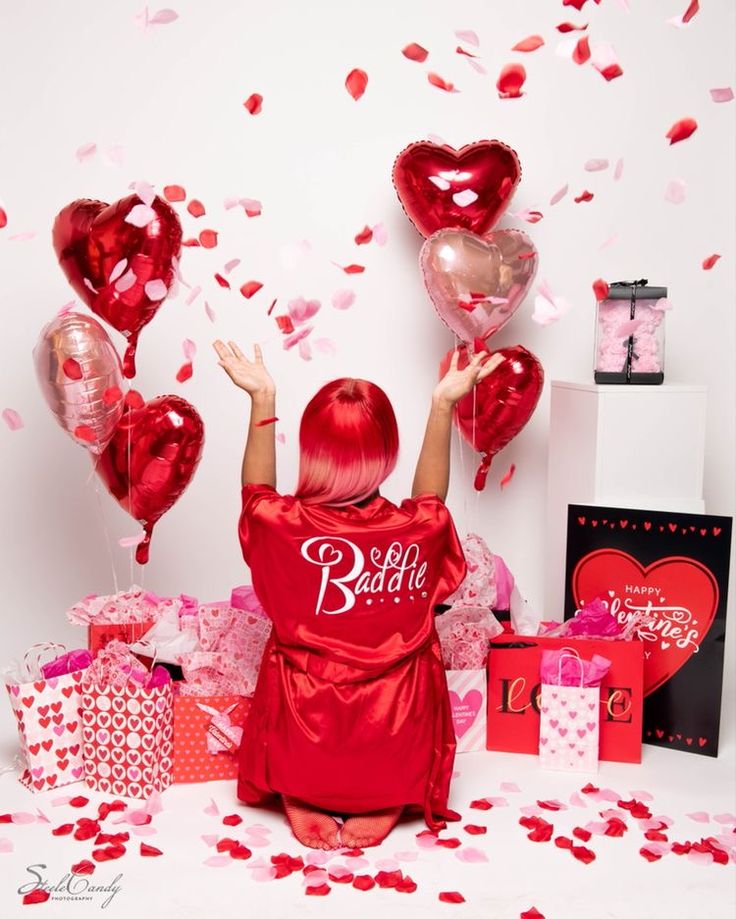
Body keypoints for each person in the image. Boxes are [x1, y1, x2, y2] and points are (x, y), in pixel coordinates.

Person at [213, 339, 501, 850]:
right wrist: (442, 407)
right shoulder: (417, 528)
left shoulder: (283, 526)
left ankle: (304, 788)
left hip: (305, 729)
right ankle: (381, 793)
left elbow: (255, 496)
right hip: (391, 731)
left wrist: (263, 401)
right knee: (411, 663)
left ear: (313, 451)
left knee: (291, 662)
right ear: (387, 453)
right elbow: (432, 500)